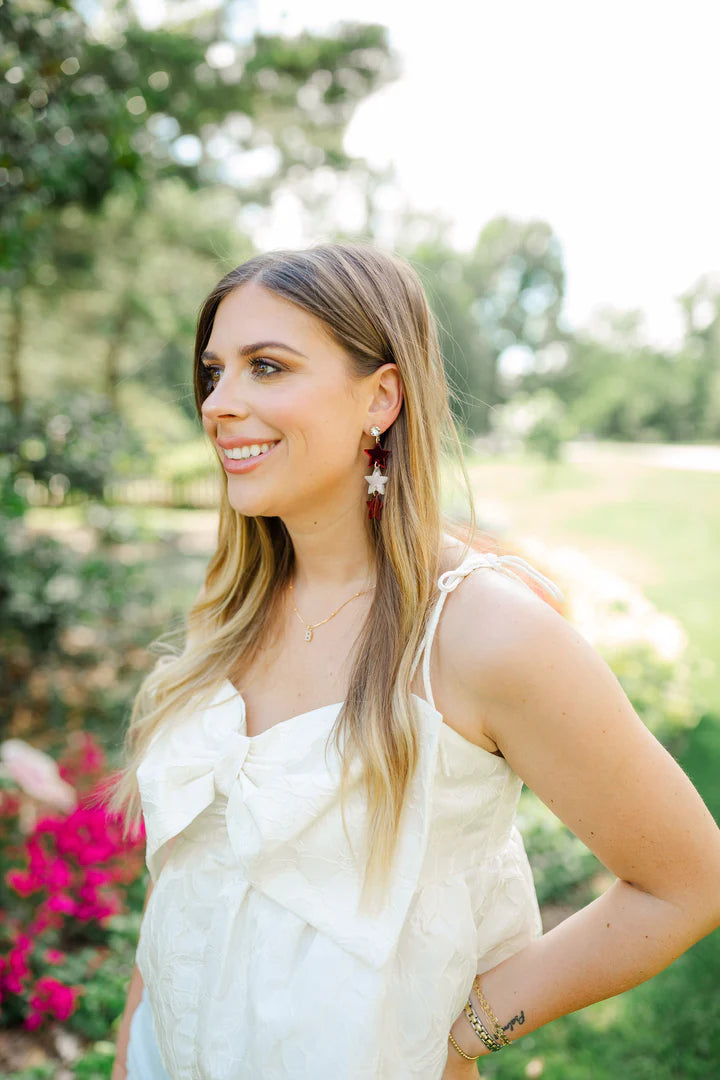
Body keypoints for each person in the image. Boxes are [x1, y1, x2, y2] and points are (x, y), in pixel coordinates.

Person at [108, 241, 720, 1080]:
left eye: (267, 367)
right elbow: (189, 884)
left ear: (382, 398)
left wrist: (457, 1037)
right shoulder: (232, 613)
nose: (220, 403)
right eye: (214, 372)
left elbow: (687, 881)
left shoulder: (481, 631)